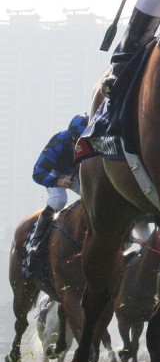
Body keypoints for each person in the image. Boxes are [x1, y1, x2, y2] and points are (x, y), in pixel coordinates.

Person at [22, 113, 89, 279]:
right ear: (70, 135)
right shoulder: (58, 142)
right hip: (54, 172)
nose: (78, 143)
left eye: (82, 139)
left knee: (92, 197)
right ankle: (35, 242)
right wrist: (58, 181)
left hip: (76, 174)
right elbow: (37, 172)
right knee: (59, 200)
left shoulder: (92, 141)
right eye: (75, 138)